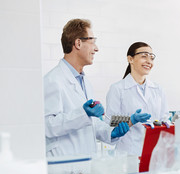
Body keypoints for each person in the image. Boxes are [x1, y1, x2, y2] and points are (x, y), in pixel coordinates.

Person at [44, 19, 150, 157]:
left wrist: (111, 132)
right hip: (63, 164)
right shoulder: (53, 80)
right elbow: (47, 126)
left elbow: (92, 123)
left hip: (85, 164)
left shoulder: (84, 82)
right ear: (78, 43)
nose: (96, 48)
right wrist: (84, 114)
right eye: (92, 42)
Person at [106, 42, 169, 156]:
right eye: (144, 56)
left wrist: (165, 123)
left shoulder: (158, 89)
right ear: (130, 59)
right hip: (128, 153)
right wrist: (131, 120)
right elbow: (110, 122)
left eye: (151, 57)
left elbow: (164, 118)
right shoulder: (117, 88)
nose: (149, 61)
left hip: (154, 152)